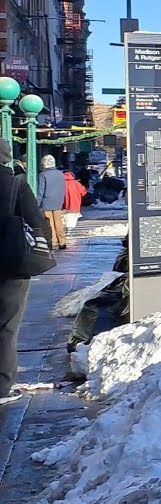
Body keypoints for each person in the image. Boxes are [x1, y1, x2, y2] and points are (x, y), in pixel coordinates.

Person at [0, 141, 52, 404]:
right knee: (7, 326)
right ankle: (2, 387)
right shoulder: (16, 185)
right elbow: (37, 221)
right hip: (11, 264)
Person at [37, 155, 67, 251]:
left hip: (46, 201)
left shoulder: (43, 175)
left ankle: (53, 242)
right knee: (59, 222)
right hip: (58, 201)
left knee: (49, 223)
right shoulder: (60, 174)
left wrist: (37, 203)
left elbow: (40, 191)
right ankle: (62, 242)